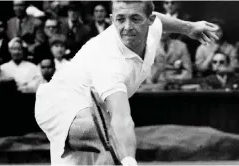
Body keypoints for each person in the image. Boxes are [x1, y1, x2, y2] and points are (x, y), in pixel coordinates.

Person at [35, 1, 219, 165]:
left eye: (135, 18)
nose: (127, 27)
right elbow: (121, 118)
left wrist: (189, 28)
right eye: (120, 19)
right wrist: (129, 160)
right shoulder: (110, 61)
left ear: (149, 20)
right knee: (111, 140)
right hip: (58, 103)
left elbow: (161, 20)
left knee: (107, 146)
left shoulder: (152, 29)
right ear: (111, 19)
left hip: (93, 106)